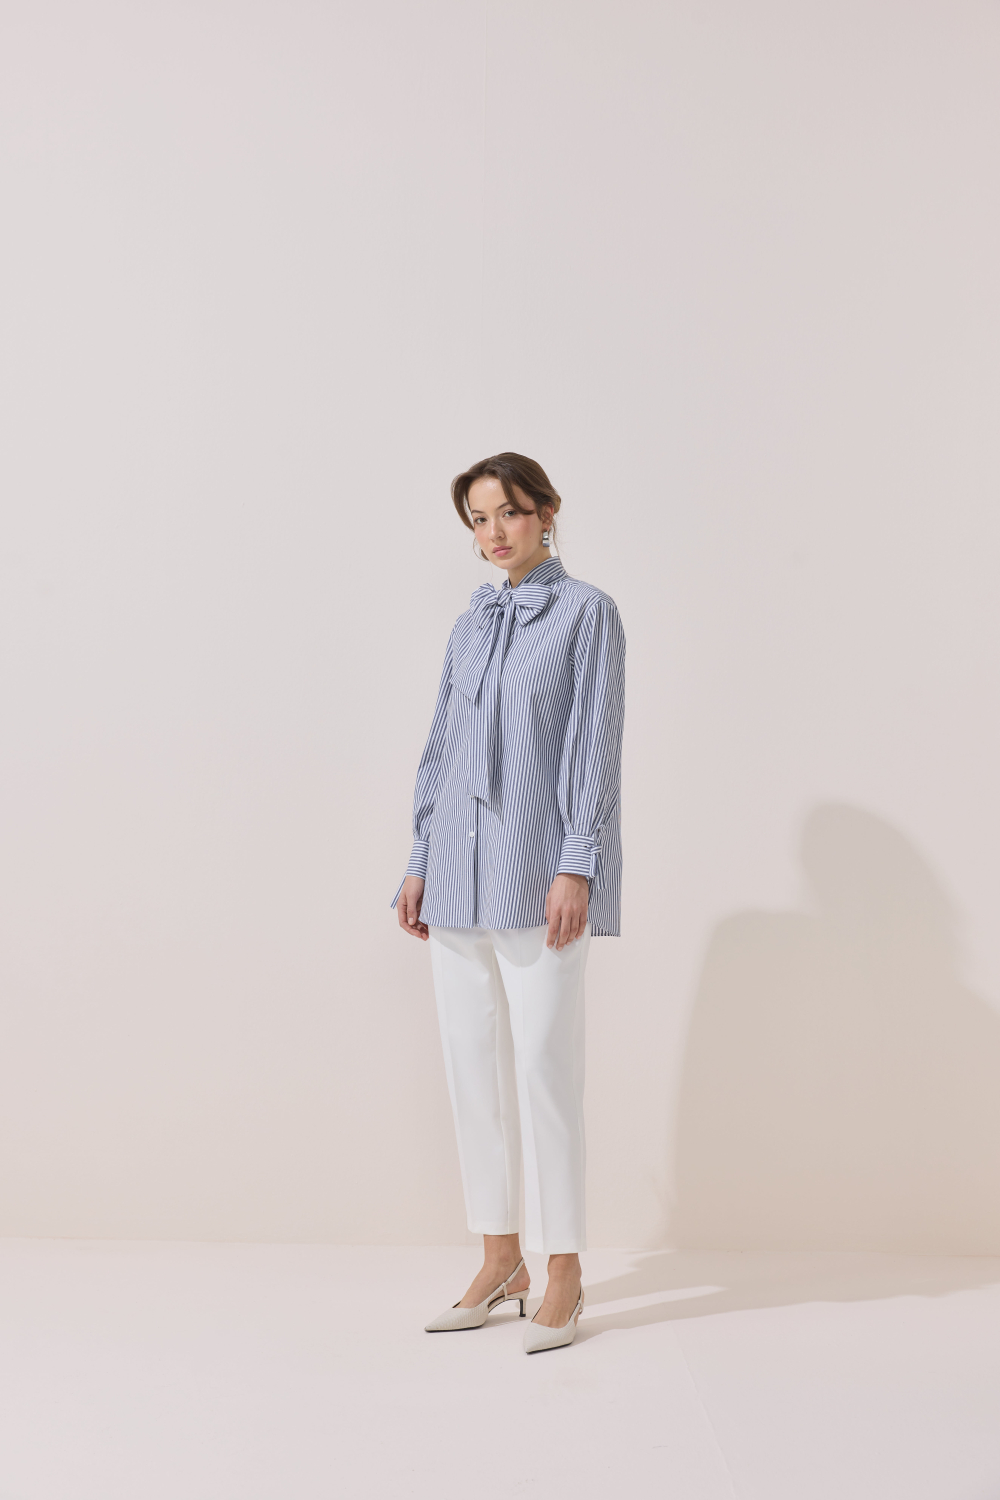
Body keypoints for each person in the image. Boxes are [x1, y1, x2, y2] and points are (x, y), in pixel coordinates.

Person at [391, 453, 625, 1354]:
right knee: (471, 1073)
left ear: (547, 513)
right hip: (457, 875)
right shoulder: (469, 625)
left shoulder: (587, 613)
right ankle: (500, 1260)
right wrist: (419, 859)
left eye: (510, 513)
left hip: (539, 878)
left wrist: (577, 864)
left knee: (544, 1071)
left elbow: (594, 746)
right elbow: (442, 747)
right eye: (480, 519)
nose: (494, 533)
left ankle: (563, 1267)